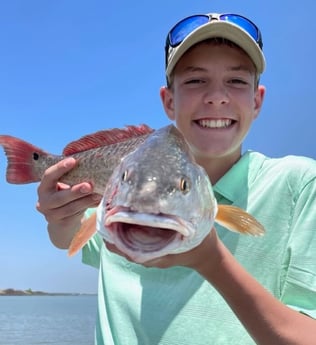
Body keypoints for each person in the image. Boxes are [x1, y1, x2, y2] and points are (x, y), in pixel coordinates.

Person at [36, 12, 316, 345]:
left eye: (237, 81)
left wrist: (211, 260)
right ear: (169, 101)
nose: (216, 96)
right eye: (196, 80)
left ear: (257, 101)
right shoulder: (125, 193)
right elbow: (68, 238)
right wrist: (59, 218)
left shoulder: (299, 182)